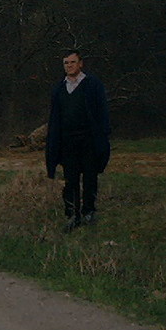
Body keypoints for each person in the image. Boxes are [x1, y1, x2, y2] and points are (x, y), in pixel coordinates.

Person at [45, 50, 111, 231]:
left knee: (90, 176)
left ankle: (89, 211)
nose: (69, 66)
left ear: (80, 64)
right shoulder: (59, 89)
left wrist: (103, 136)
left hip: (89, 141)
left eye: (72, 62)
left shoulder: (93, 85)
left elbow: (102, 112)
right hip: (68, 142)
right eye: (66, 63)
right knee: (70, 179)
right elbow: (55, 118)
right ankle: (73, 214)